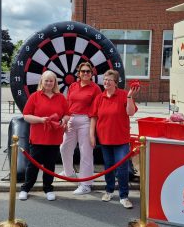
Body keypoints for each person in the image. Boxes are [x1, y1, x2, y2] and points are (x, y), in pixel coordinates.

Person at [90, 69, 139, 209]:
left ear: (116, 83)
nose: (105, 82)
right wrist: (91, 135)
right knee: (108, 167)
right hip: (105, 139)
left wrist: (130, 97)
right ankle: (109, 190)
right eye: (104, 79)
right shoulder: (99, 98)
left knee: (122, 168)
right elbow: (94, 118)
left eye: (109, 80)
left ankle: (124, 196)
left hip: (121, 140)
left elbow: (130, 112)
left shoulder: (124, 95)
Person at [19, 70, 69, 202]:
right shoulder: (35, 96)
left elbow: (67, 114)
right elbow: (26, 116)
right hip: (38, 137)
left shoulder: (61, 98)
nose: (48, 83)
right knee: (33, 165)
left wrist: (63, 121)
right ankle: (25, 188)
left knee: (50, 165)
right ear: (42, 81)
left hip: (54, 137)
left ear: (54, 83)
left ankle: (48, 188)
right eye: (46, 80)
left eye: (51, 80)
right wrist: (41, 120)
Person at [60, 62, 102, 195]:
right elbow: (68, 103)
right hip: (71, 119)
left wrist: (92, 131)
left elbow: (97, 109)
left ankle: (86, 184)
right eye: (83, 71)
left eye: (88, 71)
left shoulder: (95, 89)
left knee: (86, 153)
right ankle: (69, 172)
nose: (85, 73)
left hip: (86, 120)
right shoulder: (73, 86)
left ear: (92, 74)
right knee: (64, 147)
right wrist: (65, 118)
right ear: (79, 73)